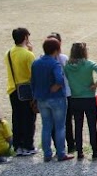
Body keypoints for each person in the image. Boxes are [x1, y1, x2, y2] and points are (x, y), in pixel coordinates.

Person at [32, 37, 72, 162]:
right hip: (56, 99)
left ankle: (47, 154)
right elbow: (59, 79)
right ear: (56, 49)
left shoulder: (36, 63)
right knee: (60, 126)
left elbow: (32, 82)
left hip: (42, 99)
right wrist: (56, 86)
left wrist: (35, 97)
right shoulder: (55, 63)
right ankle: (61, 153)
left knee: (46, 126)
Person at [64, 42, 97, 159]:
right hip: (89, 98)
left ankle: (79, 151)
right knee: (92, 126)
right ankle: (95, 150)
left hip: (75, 98)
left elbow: (66, 76)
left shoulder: (67, 66)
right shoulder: (88, 64)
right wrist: (95, 84)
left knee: (78, 125)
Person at [5, 27, 37, 156]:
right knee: (29, 119)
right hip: (26, 90)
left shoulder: (8, 53)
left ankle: (17, 146)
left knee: (17, 118)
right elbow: (33, 75)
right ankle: (28, 146)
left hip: (13, 89)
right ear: (25, 38)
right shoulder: (28, 55)